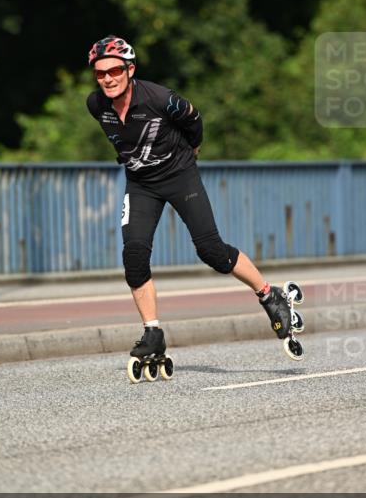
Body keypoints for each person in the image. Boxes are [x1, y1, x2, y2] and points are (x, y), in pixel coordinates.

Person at [86, 35, 303, 370]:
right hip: (141, 184)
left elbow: (194, 119)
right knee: (134, 254)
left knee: (211, 251)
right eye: (100, 74)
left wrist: (194, 148)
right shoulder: (96, 105)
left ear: (131, 70)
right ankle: (152, 332)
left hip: (180, 176)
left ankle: (269, 294)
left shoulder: (160, 98)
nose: (108, 79)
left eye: (115, 70)